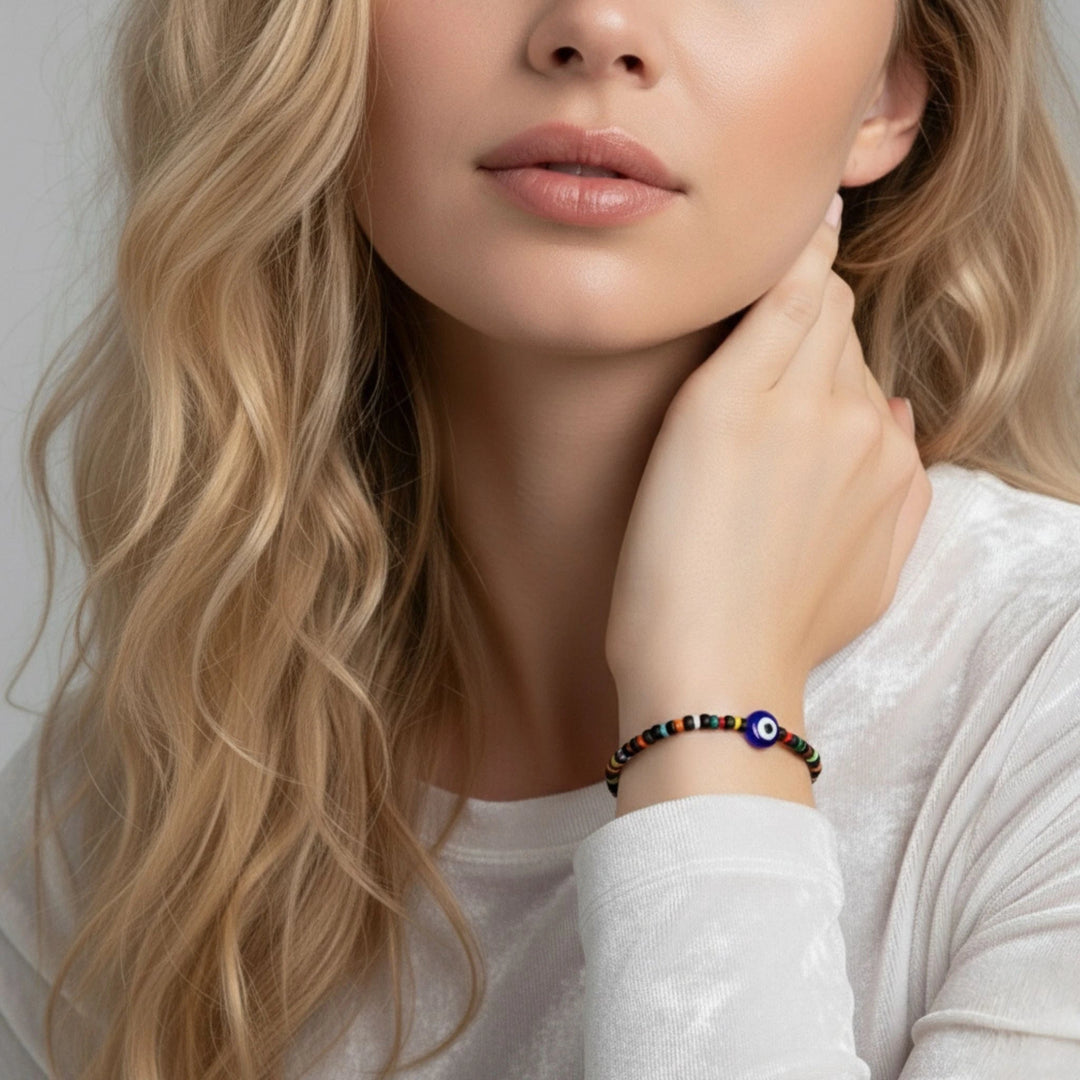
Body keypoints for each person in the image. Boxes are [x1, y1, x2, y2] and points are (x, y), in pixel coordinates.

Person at [3, 0, 1080, 1076]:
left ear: (891, 93)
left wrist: (712, 709)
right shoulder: (111, 822)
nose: (597, 26)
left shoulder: (1047, 716)